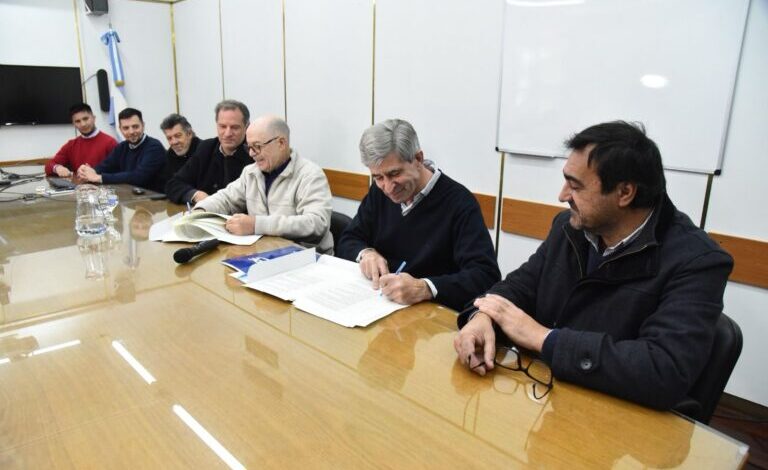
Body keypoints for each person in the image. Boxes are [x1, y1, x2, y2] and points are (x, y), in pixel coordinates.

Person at [454, 121, 734, 410]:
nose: (562, 196)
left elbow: (663, 370)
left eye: (575, 185)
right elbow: (520, 285)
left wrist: (542, 338)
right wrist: (482, 319)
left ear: (625, 193)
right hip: (556, 399)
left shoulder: (698, 262)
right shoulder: (569, 228)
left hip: (624, 430)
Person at [336, 119, 500, 311]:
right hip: (379, 307)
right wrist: (366, 254)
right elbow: (349, 238)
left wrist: (425, 288)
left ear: (418, 159)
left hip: (430, 317)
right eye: (378, 177)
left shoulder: (459, 203)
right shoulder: (379, 192)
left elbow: (485, 276)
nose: (388, 188)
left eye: (395, 173)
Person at [195, 115, 334, 253]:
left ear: (281, 143)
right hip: (264, 253)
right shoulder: (251, 172)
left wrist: (256, 225)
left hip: (307, 258)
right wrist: (200, 211)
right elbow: (226, 199)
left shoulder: (310, 175)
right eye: (248, 147)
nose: (251, 154)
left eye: (257, 146)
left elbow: (316, 224)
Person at [165, 100, 252, 204]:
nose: (228, 133)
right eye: (222, 126)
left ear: (246, 127)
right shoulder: (206, 148)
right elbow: (173, 184)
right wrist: (195, 195)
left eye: (234, 127)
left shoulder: (254, 153)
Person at [77, 108, 166, 192]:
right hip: (131, 198)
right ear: (120, 129)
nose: (131, 132)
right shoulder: (122, 147)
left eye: (135, 127)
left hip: (155, 201)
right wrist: (88, 171)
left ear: (143, 125)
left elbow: (139, 177)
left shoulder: (154, 147)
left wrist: (99, 177)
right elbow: (105, 166)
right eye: (126, 128)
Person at [44, 103, 117, 177]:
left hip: (104, 186)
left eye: (85, 119)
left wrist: (95, 172)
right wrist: (57, 168)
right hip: (78, 187)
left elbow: (118, 171)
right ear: (74, 124)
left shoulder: (110, 142)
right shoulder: (71, 145)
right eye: (78, 121)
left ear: (94, 118)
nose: (83, 124)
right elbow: (49, 166)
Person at [159, 113, 201, 184]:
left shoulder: (205, 151)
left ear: (189, 134)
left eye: (178, 136)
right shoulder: (169, 156)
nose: (174, 142)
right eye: (169, 138)